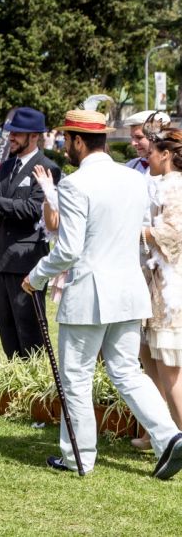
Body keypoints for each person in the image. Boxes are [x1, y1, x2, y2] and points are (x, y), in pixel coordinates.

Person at [24, 108, 182, 479]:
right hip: (129, 292)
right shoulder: (134, 180)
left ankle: (78, 456)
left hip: (90, 296)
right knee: (127, 371)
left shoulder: (76, 184)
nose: (64, 146)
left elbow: (68, 249)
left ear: (78, 141)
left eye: (65, 139)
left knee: (76, 378)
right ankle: (170, 436)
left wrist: (36, 276)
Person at [0, 106, 60, 360]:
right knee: (8, 330)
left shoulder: (47, 168)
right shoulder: (6, 166)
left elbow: (33, 210)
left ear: (35, 136)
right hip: (3, 258)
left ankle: (36, 388)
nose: (11, 137)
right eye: (10, 132)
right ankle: (15, 383)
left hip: (28, 260)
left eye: (17, 134)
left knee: (30, 331)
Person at [139, 122, 182, 436]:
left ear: (166, 154)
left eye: (152, 152)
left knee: (171, 371)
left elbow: (173, 233)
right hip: (157, 283)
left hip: (172, 286)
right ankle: (162, 433)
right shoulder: (163, 182)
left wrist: (137, 231)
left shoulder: (175, 186)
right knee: (151, 361)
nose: (147, 157)